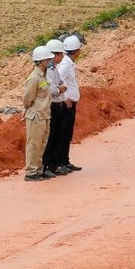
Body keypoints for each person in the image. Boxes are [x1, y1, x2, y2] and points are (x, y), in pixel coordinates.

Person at [49, 35, 84, 174]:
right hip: (66, 105)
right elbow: (59, 80)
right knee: (63, 133)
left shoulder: (68, 62)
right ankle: (60, 162)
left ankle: (65, 161)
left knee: (67, 133)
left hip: (69, 103)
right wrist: (65, 97)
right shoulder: (65, 64)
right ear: (77, 51)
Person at [22, 46, 55, 181]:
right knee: (33, 144)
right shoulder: (34, 78)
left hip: (44, 114)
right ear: (42, 61)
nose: (50, 61)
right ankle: (31, 171)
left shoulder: (44, 76)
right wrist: (28, 108)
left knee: (42, 143)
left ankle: (39, 169)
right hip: (36, 115)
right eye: (48, 59)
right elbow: (28, 98)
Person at [43, 39, 72, 175]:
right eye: (60, 54)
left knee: (57, 135)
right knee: (51, 136)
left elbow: (62, 83)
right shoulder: (48, 71)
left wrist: (60, 88)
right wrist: (60, 89)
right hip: (51, 105)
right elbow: (53, 90)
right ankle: (48, 165)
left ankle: (54, 165)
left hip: (57, 104)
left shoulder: (54, 69)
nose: (62, 57)